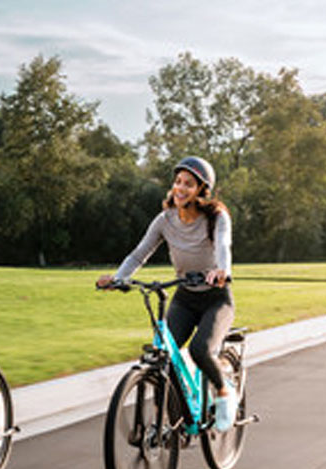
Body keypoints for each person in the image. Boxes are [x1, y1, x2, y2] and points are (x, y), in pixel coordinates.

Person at [96, 155, 238, 432]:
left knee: (199, 349)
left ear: (201, 190)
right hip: (184, 298)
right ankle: (174, 423)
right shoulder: (164, 220)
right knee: (163, 355)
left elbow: (223, 244)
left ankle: (223, 390)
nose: (180, 188)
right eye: (177, 182)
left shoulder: (216, 217)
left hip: (216, 299)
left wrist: (222, 270)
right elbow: (139, 254)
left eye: (188, 184)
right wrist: (119, 279)